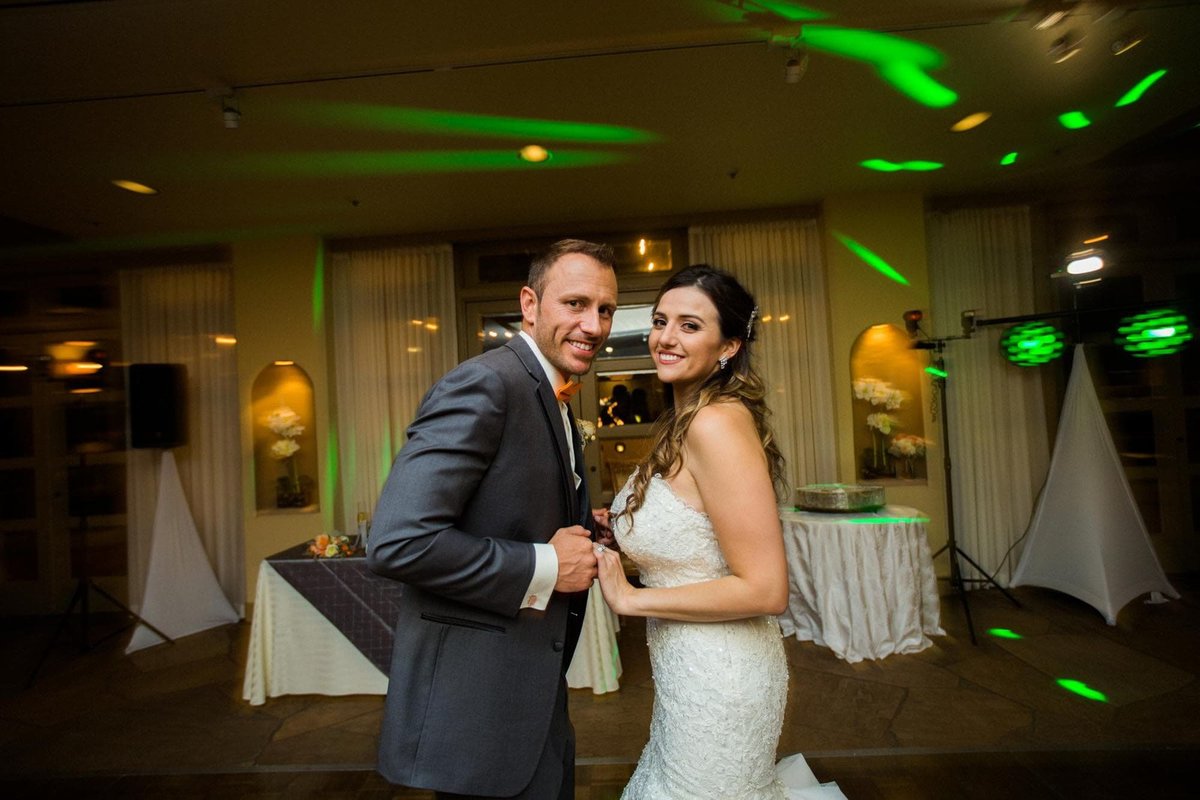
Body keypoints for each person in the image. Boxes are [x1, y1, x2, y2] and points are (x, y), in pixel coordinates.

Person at [367, 238, 619, 799]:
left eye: (605, 309)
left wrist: (584, 526)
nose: (594, 324)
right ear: (529, 304)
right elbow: (398, 542)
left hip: (529, 697)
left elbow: (512, 509)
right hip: (477, 712)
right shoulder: (486, 383)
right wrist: (548, 564)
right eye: (575, 303)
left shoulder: (552, 394)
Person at [593, 265, 846, 799]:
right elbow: (695, 526)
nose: (665, 337)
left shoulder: (715, 423)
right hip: (687, 673)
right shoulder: (685, 417)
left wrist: (629, 598)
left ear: (728, 345)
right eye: (661, 321)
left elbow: (765, 589)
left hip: (721, 676)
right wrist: (623, 528)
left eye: (690, 326)